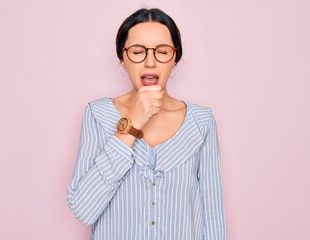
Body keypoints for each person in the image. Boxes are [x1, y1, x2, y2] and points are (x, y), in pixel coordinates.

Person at [67, 8, 227, 240]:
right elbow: (83, 209)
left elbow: (213, 218)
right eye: (137, 52)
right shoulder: (97, 114)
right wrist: (133, 122)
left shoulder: (201, 122)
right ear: (122, 59)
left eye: (162, 52)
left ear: (175, 58)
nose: (150, 62)